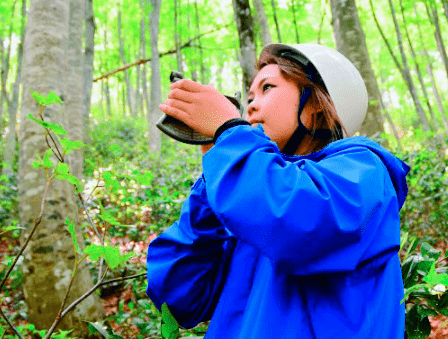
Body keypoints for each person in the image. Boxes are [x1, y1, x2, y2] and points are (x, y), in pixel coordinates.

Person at [146, 43, 410, 338]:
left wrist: (230, 136)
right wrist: (215, 173)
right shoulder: (251, 198)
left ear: (315, 105)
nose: (251, 107)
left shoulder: (364, 171)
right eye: (248, 98)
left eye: (267, 88)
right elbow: (178, 298)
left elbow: (295, 224)